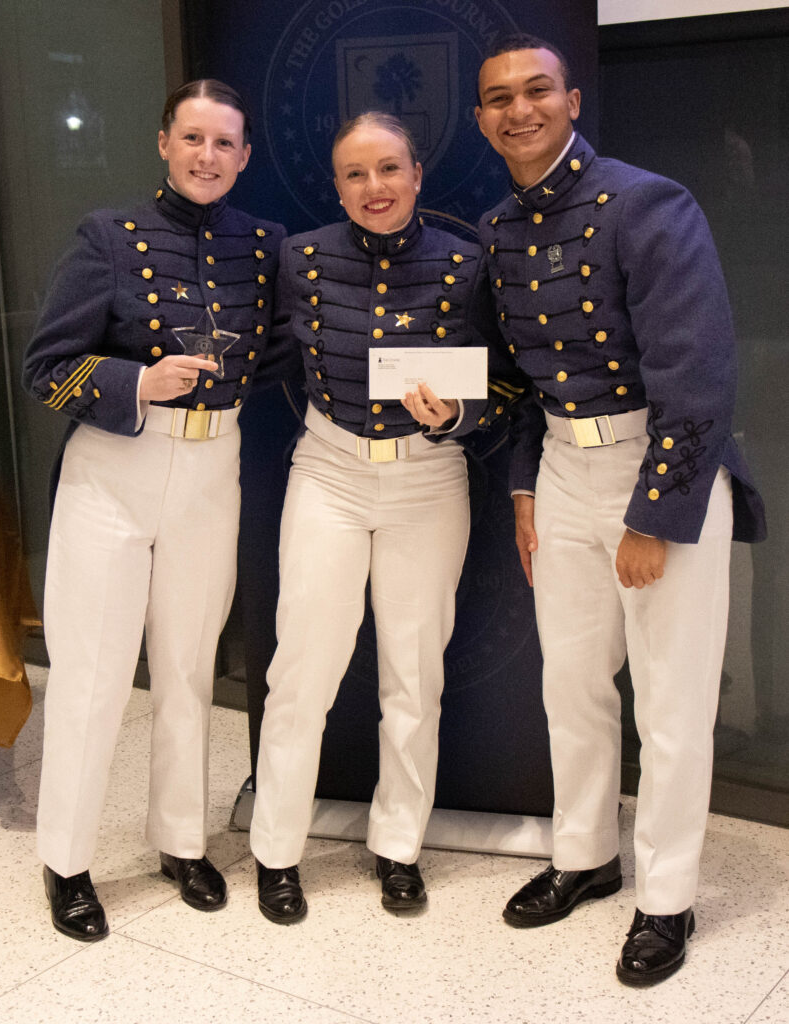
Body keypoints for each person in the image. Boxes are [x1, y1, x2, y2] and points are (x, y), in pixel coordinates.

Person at [474, 34, 766, 985]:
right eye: (498, 98)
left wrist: (654, 515)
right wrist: (524, 489)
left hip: (657, 469)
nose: (518, 110)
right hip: (560, 469)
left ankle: (666, 897)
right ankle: (585, 856)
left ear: (569, 101)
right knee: (571, 683)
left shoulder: (643, 203)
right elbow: (521, 383)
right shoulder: (498, 230)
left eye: (535, 91)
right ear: (480, 118)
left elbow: (699, 376)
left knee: (673, 703)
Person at [23, 79, 285, 941]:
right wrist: (138, 381)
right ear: (164, 144)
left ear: (244, 157)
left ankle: (179, 842)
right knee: (94, 677)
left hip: (215, 467)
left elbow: (291, 343)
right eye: (193, 139)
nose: (208, 157)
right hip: (114, 472)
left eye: (225, 144)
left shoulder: (265, 246)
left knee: (187, 669)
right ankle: (66, 861)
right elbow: (46, 366)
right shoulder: (108, 236)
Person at [248, 112, 514, 923]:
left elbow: (504, 384)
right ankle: (275, 852)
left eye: (389, 169)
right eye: (356, 174)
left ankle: (398, 848)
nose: (375, 188)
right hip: (327, 470)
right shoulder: (297, 259)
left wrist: (454, 417)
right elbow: (266, 358)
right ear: (336, 186)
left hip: (429, 480)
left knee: (413, 675)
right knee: (303, 668)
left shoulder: (469, 263)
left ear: (417, 173)